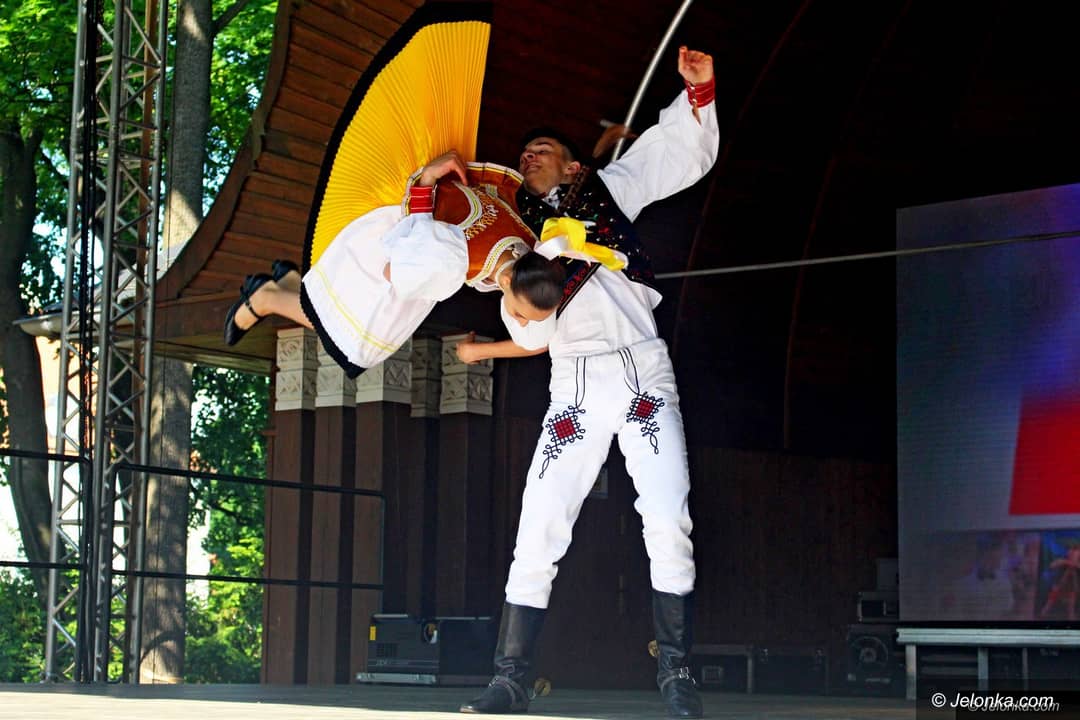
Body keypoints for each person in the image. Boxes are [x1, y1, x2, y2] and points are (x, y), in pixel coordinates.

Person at [456, 47, 719, 719]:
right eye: (525, 153)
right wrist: (511, 297)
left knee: (668, 516)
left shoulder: (607, 192)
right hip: (573, 389)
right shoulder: (516, 241)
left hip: (639, 375)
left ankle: (677, 675)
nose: (531, 155)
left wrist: (698, 93)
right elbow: (532, 335)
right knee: (540, 522)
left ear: (574, 167)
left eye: (544, 149)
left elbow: (675, 154)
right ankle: (509, 679)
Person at [223, 155, 565, 377]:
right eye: (520, 314)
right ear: (505, 282)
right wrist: (419, 280)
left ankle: (289, 284)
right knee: (358, 345)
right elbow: (394, 270)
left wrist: (430, 177)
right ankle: (267, 297)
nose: (519, 320)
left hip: (421, 231)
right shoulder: (459, 259)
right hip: (393, 241)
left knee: (360, 324)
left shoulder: (528, 239)